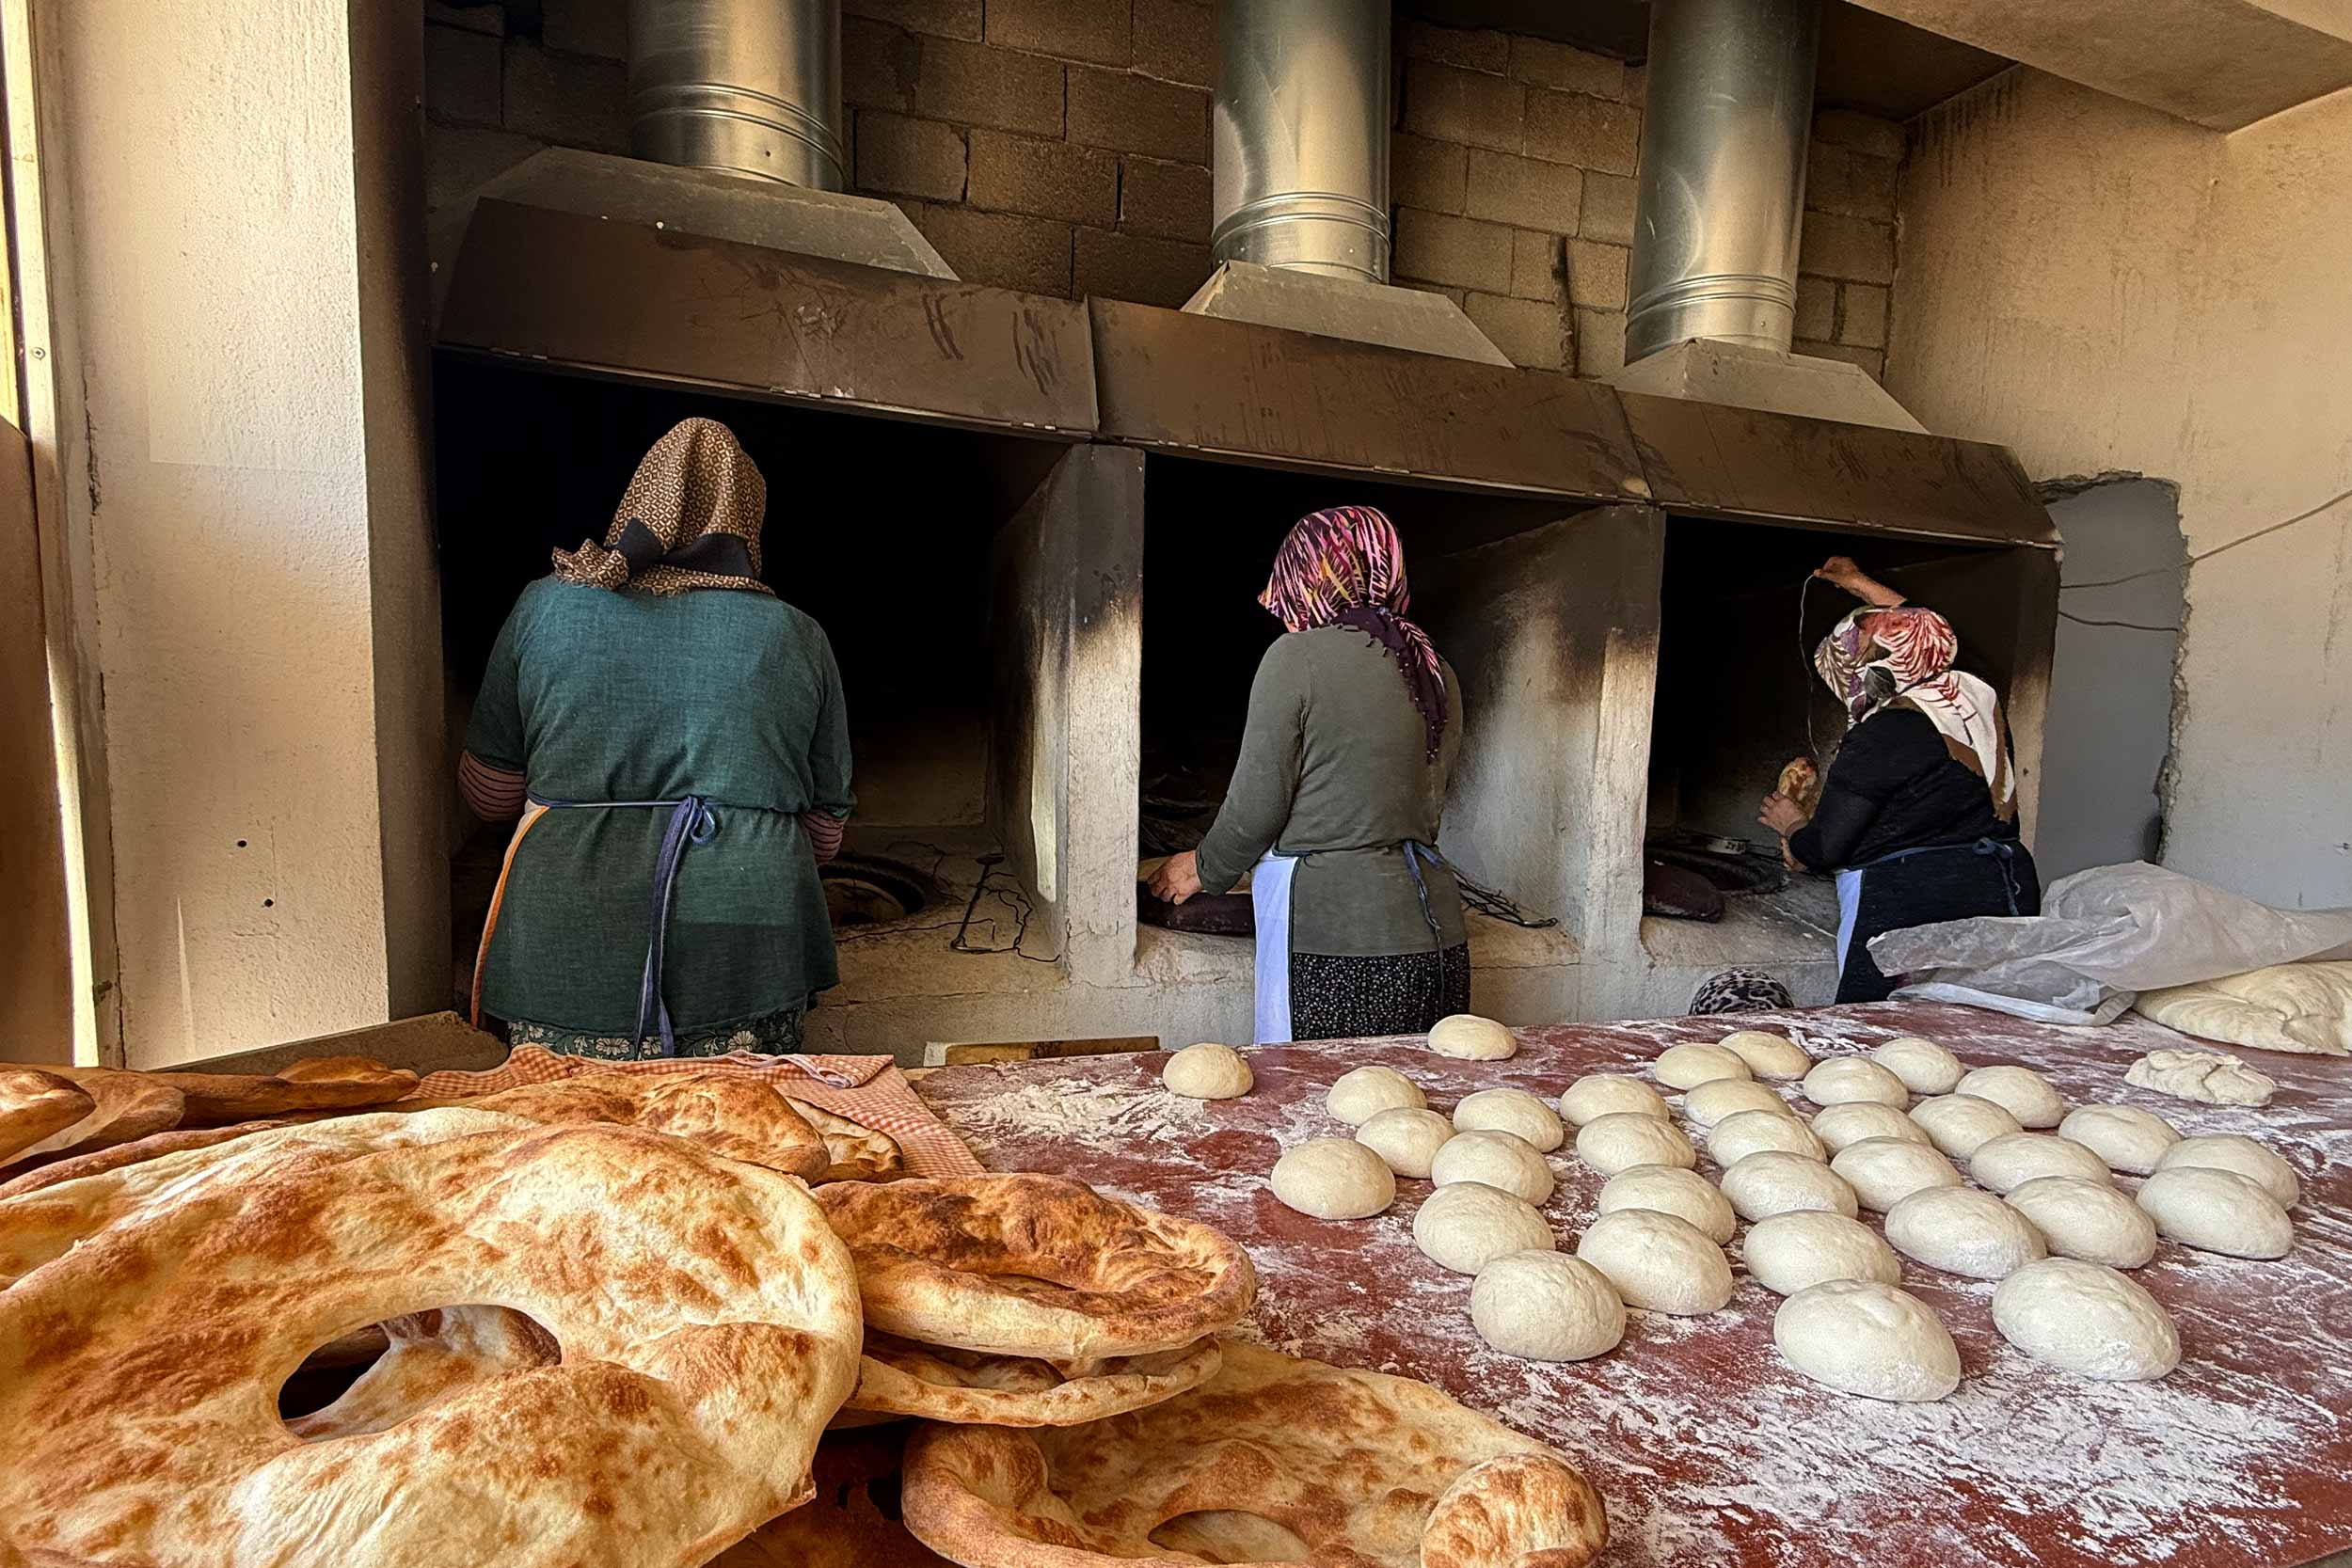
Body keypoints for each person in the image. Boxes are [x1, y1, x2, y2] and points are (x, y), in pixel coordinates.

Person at [457, 418, 854, 1058]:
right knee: (740, 1146)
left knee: (568, 1148)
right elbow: (824, 836)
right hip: (747, 955)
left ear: (639, 500)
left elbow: (490, 796)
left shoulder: (544, 606)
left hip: (565, 951)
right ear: (748, 523)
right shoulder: (797, 635)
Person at [1149, 505, 1468, 1043]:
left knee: (1319, 1109)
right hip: (1436, 941)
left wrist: (1202, 867)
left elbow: (1258, 804)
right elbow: (1426, 810)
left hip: (1336, 940)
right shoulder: (1434, 667)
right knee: (1415, 1103)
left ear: (1311, 575)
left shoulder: (1296, 657)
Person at [1759, 555, 2040, 1005]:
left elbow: (1823, 850)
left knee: (1879, 1027)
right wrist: (1859, 583)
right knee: (1982, 1018)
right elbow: (1926, 630)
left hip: (1910, 895)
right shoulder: (1973, 692)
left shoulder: (1880, 734)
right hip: (2002, 879)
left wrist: (1790, 823)